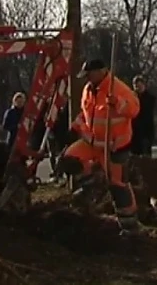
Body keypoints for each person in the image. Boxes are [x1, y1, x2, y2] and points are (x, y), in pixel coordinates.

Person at [56, 59, 141, 232]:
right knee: (68, 160)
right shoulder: (88, 89)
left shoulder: (118, 89)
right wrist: (74, 127)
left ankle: (129, 223)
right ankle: (92, 186)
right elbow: (85, 113)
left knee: (118, 184)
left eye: (89, 74)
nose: (87, 78)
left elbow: (134, 109)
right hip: (92, 142)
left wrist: (117, 103)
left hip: (114, 146)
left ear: (101, 71)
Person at [131, 76, 156, 157]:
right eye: (136, 86)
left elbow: (146, 111)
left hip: (146, 131)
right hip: (134, 132)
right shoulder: (131, 97)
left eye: (139, 86)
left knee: (145, 155)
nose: (137, 88)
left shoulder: (150, 98)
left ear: (144, 86)